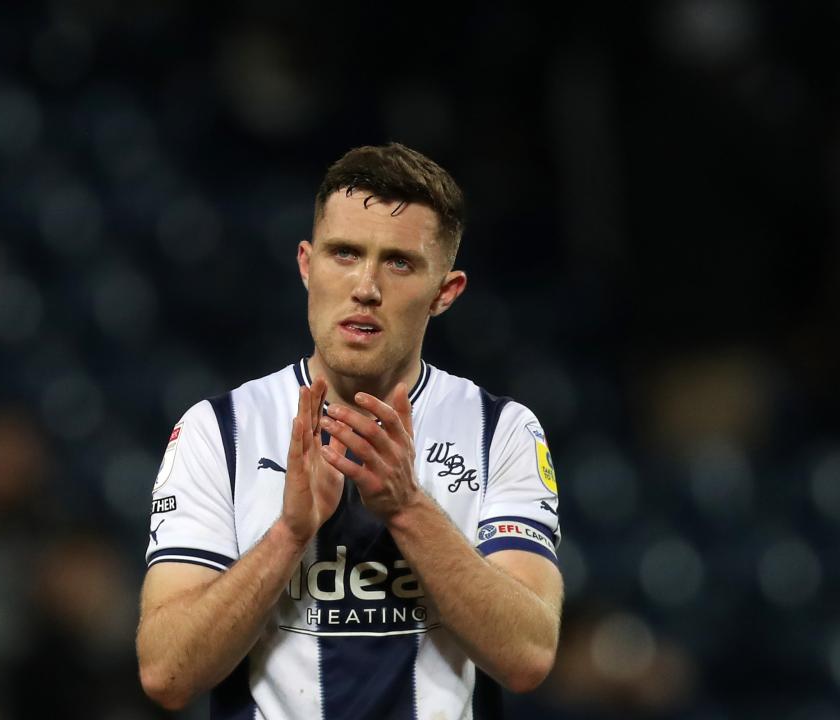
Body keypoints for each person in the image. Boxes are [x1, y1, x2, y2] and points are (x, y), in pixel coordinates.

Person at [136, 143, 563, 719]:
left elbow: (528, 656)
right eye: (345, 253)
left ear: (446, 292)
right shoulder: (218, 431)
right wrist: (289, 535)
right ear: (307, 265)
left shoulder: (501, 431)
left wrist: (408, 508)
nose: (366, 286)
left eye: (399, 262)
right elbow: (166, 673)